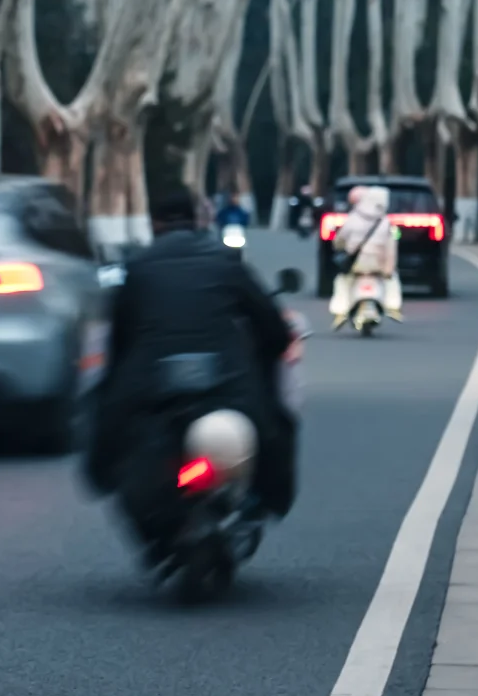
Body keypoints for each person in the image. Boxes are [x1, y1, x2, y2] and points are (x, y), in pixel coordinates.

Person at [85, 191, 295, 570]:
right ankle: (262, 500)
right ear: (199, 220)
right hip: (227, 387)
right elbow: (271, 326)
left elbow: (120, 340)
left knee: (113, 437)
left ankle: (157, 535)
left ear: (153, 224)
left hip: (152, 391)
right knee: (276, 425)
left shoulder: (138, 268)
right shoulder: (225, 261)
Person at [328, 185, 403, 327]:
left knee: (342, 281)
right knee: (392, 281)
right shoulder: (386, 223)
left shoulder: (353, 219)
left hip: (356, 264)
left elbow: (340, 239)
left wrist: (339, 247)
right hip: (378, 264)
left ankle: (340, 312)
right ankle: (394, 308)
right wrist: (389, 269)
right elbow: (391, 248)